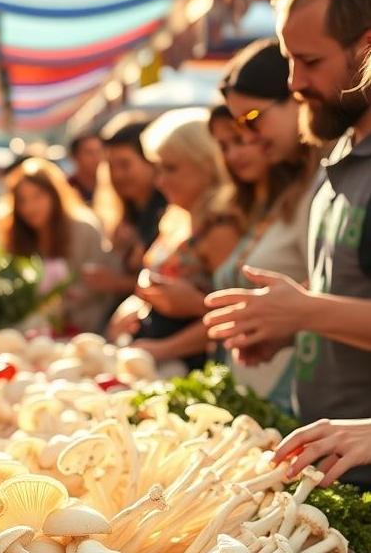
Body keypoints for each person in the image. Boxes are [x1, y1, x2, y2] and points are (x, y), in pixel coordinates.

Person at [204, 0, 371, 489]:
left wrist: (307, 310)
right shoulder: (341, 156)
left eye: (310, 61)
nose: (294, 82)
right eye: (289, 60)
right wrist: (294, 323)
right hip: (330, 466)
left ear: (367, 46)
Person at [209, 40, 321, 414]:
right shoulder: (288, 192)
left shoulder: (324, 185)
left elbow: (328, 296)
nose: (249, 139)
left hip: (304, 402)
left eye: (252, 119)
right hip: (274, 395)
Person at [109, 108, 241, 370]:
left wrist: (161, 349)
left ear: (206, 165)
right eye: (157, 169)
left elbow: (232, 317)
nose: (160, 181)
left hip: (186, 369)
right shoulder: (177, 216)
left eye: (170, 169)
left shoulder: (220, 229)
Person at [3, 157, 114, 333]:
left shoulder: (84, 229)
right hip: (35, 332)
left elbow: (98, 283)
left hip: (85, 328)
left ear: (54, 194)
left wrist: (63, 306)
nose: (29, 207)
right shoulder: (19, 236)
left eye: (37, 196)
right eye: (22, 200)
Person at [84, 117, 176, 300]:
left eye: (125, 165)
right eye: (111, 166)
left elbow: (172, 286)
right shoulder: (127, 214)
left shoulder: (170, 211)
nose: (117, 175)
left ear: (151, 162)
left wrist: (118, 282)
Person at [68, 131, 104, 204]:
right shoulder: (67, 189)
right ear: (74, 157)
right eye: (89, 153)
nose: (96, 158)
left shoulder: (114, 185)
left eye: (99, 151)